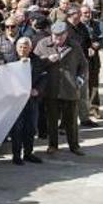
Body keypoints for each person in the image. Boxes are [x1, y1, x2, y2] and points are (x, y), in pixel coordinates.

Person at [34, 21, 87, 155]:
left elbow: (83, 65)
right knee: (51, 119)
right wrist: (47, 60)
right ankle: (53, 145)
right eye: (55, 36)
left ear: (66, 34)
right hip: (51, 88)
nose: (58, 39)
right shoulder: (43, 44)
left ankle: (74, 145)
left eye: (61, 36)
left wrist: (80, 80)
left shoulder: (74, 45)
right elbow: (35, 65)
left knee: (71, 120)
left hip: (70, 88)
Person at [10, 38, 44, 165]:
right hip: (16, 101)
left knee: (30, 128)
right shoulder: (11, 61)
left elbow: (44, 77)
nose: (22, 50)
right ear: (16, 48)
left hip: (31, 100)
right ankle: (16, 155)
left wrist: (37, 90)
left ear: (30, 48)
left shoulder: (37, 61)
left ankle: (28, 153)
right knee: (17, 129)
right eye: (20, 47)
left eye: (25, 47)